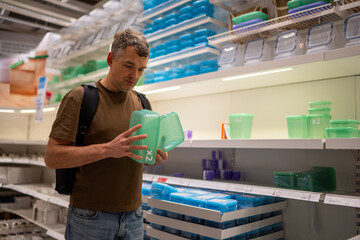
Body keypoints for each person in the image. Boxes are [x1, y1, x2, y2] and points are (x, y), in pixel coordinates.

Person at [44, 28, 168, 240]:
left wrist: (153, 155)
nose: (134, 76)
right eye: (129, 65)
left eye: (141, 69)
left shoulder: (143, 103)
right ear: (111, 59)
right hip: (90, 217)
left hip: (134, 215)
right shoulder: (80, 98)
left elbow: (138, 155)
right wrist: (107, 149)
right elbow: (52, 157)